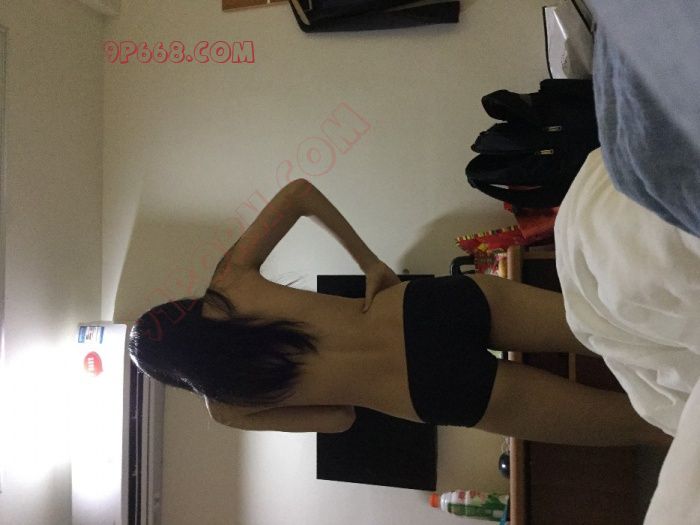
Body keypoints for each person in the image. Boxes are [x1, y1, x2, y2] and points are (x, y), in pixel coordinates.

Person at [129, 178, 668, 446]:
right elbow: (298, 193)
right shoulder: (229, 284)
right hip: (424, 311)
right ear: (179, 312)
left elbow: (340, 420)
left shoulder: (227, 408)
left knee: (645, 425)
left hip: (430, 388)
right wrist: (369, 262)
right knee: (623, 328)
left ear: (177, 373)